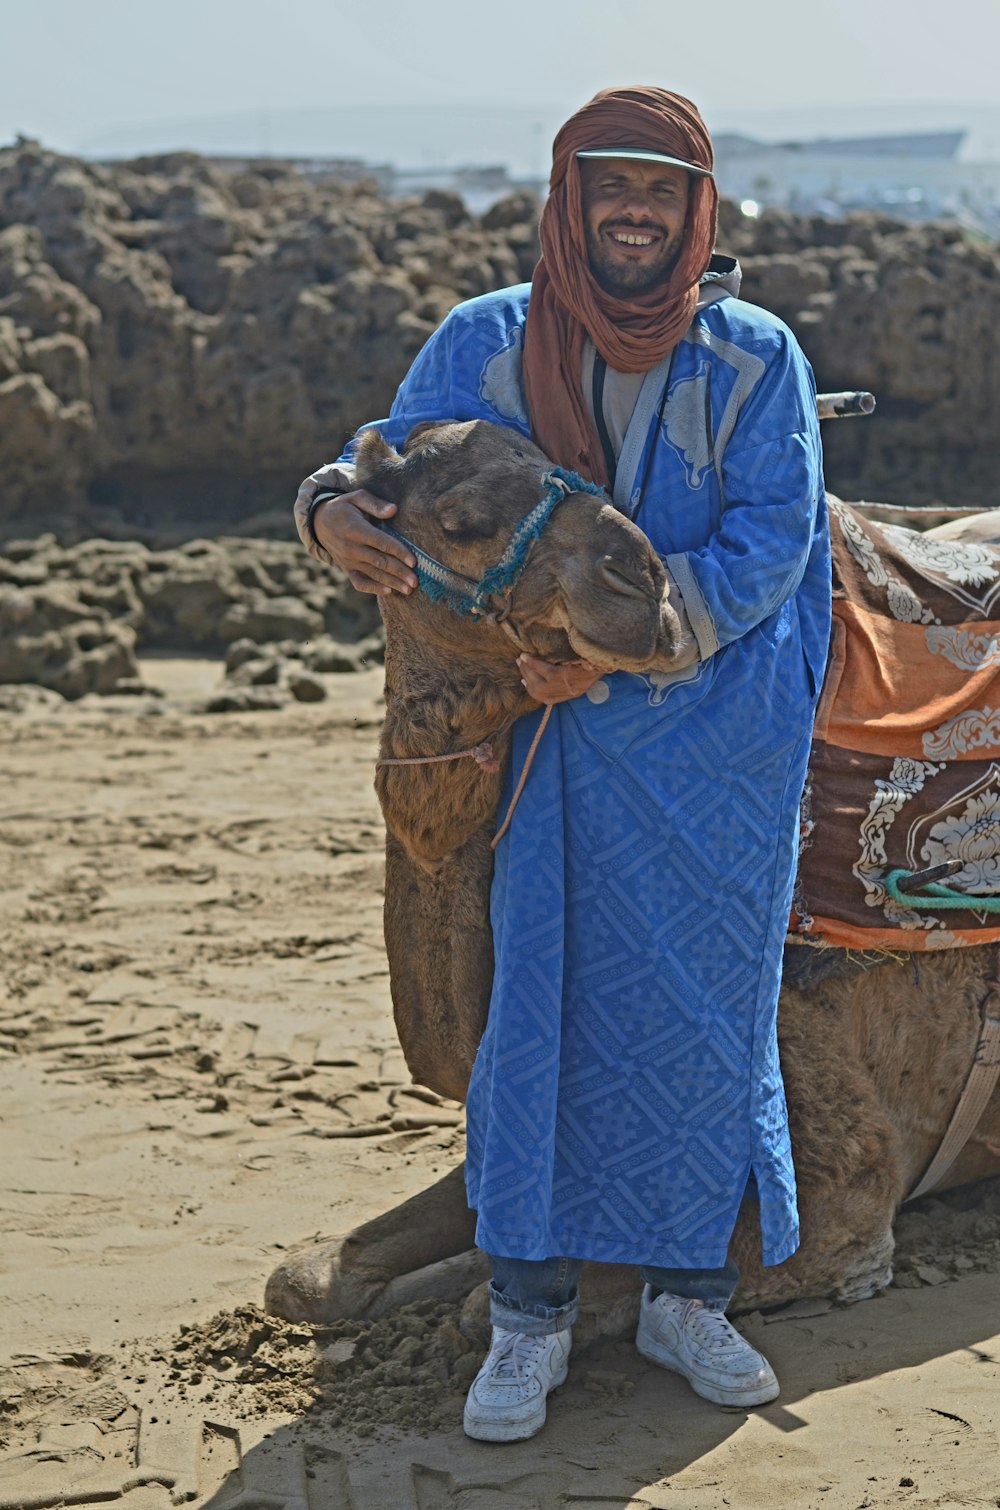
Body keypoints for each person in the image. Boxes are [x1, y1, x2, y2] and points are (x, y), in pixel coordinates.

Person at [293, 86, 831, 1442]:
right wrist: (325, 515)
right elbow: (387, 470)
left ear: (696, 209)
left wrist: (623, 655)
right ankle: (530, 1313)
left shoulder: (756, 359)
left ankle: (683, 1296)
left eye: (661, 190)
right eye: (612, 188)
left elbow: (773, 543)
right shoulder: (482, 342)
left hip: (705, 742)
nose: (636, 213)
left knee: (701, 1015)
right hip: (535, 743)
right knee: (532, 1007)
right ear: (570, 200)